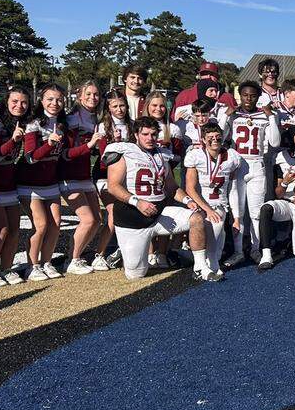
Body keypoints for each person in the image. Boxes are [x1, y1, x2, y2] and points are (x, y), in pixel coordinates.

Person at [104, 116, 210, 280]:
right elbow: (113, 186)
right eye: (145, 134)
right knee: (135, 274)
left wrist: (188, 201)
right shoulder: (124, 151)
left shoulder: (162, 155)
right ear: (136, 134)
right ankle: (124, 252)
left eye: (153, 134)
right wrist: (137, 202)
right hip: (132, 216)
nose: (150, 138)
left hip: (159, 214)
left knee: (196, 218)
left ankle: (201, 267)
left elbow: (172, 188)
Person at [224, 82, 282, 266]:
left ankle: (257, 249)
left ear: (258, 97)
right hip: (237, 166)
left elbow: (274, 142)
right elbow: (221, 135)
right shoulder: (233, 115)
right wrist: (225, 118)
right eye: (245, 95)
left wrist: (271, 117)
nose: (249, 99)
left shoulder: (264, 116)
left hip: (257, 165)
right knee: (238, 212)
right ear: (240, 96)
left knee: (256, 213)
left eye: (253, 95)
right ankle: (239, 251)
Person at [0, 86, 30, 288]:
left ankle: (6, 269)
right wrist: (13, 140)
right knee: (0, 231)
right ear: (6, 102)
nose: (19, 105)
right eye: (15, 101)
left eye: (24, 102)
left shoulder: (22, 123)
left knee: (14, 231)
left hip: (10, 184)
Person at [18, 84, 67, 281]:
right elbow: (30, 157)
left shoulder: (63, 124)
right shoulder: (33, 123)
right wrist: (49, 144)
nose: (55, 103)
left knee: (56, 224)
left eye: (59, 99)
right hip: (29, 183)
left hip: (50, 182)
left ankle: (46, 262)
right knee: (41, 225)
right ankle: (32, 266)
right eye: (50, 99)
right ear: (41, 100)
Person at [182, 122, 240, 280]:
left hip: (220, 204)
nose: (214, 140)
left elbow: (233, 190)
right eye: (210, 138)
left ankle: (207, 262)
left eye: (217, 137)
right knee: (214, 224)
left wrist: (236, 218)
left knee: (218, 226)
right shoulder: (196, 155)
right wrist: (207, 210)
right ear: (203, 140)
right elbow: (190, 188)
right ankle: (203, 265)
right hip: (199, 204)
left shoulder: (232, 157)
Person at [59, 80, 104, 275]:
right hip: (69, 175)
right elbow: (66, 154)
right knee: (87, 220)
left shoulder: (96, 118)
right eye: (88, 94)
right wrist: (89, 145)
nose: (92, 98)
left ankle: (75, 254)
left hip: (84, 175)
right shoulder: (72, 119)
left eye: (95, 94)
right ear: (79, 96)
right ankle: (72, 259)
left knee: (97, 220)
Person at [255, 136, 295, 270]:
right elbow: (279, 193)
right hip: (288, 202)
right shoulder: (280, 157)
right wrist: (286, 182)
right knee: (266, 208)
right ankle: (266, 255)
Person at [91, 90, 133, 271]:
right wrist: (115, 143)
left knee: (129, 213)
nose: (119, 109)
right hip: (104, 176)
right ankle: (98, 254)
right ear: (108, 108)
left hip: (127, 175)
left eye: (122, 105)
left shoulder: (132, 126)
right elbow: (103, 158)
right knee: (113, 215)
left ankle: (124, 251)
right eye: (115, 106)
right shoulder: (103, 127)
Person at [173, 62, 237, 112]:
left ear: (217, 77)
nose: (208, 76)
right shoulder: (184, 95)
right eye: (205, 74)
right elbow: (173, 120)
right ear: (200, 76)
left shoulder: (228, 98)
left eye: (212, 74)